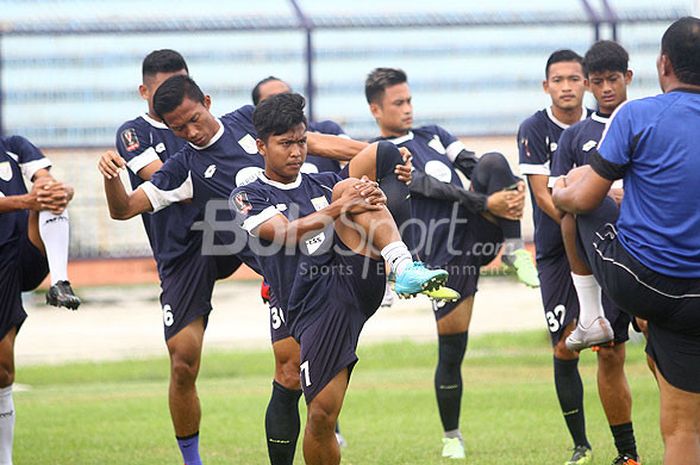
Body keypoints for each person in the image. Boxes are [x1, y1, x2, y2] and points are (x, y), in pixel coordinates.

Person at [231, 92, 449, 465]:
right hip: (311, 306)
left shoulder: (326, 183)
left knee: (362, 176)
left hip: (353, 280)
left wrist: (394, 175)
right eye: (285, 144)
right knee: (321, 416)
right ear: (260, 147)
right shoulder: (249, 194)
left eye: (301, 142)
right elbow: (284, 233)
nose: (297, 152)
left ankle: (404, 266)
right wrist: (339, 208)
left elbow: (366, 176)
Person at [552, 17, 700, 465]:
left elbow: (584, 198)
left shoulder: (636, 115)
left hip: (649, 282)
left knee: (683, 429)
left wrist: (561, 189)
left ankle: (593, 316)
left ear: (663, 64)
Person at [365, 67, 533, 459]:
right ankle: (452, 436)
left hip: (472, 236)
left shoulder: (435, 134)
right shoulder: (378, 153)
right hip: (434, 253)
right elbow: (425, 185)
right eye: (398, 103)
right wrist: (484, 202)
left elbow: (474, 165)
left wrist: (508, 190)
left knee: (494, 160)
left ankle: (514, 249)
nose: (407, 109)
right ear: (376, 109)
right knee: (452, 349)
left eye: (409, 101)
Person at [549, 41, 640, 465]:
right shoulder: (574, 136)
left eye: (613, 80)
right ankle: (628, 454)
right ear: (588, 84)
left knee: (663, 354)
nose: (606, 88)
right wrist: (594, 193)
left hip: (649, 250)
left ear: (629, 78)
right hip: (602, 255)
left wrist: (602, 191)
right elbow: (559, 198)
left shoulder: (644, 121)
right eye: (598, 81)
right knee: (611, 355)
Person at [517, 49, 600, 465]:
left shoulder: (602, 125)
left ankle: (629, 445)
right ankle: (581, 444)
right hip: (555, 252)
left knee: (618, 345)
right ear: (545, 85)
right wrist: (577, 223)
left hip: (606, 247)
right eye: (558, 80)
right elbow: (541, 194)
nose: (566, 86)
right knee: (566, 346)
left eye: (574, 78)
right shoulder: (533, 128)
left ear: (585, 82)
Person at [0, 135, 77, 465]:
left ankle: (60, 281)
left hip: (20, 253)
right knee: (3, 369)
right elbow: (26, 200)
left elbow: (44, 179)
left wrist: (56, 190)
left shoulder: (14, 146)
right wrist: (27, 201)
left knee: (54, 196)